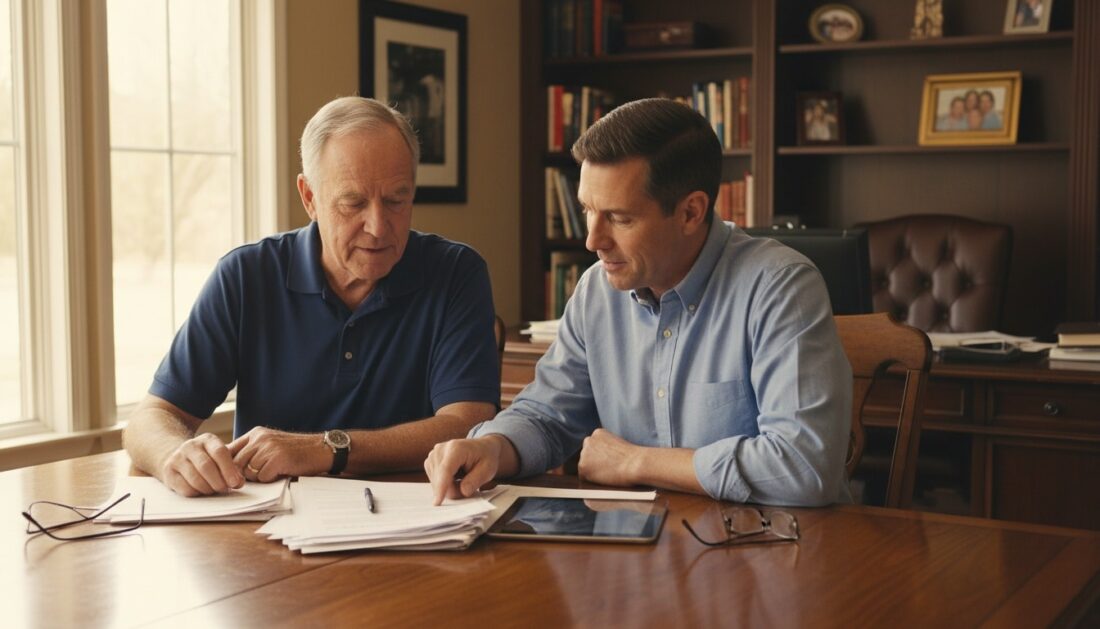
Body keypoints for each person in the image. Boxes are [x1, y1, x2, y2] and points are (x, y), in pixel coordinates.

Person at [425, 98, 852, 508]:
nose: (593, 240)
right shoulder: (596, 291)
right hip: (639, 551)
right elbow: (547, 417)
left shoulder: (780, 287)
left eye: (620, 218)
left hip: (769, 552)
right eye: (588, 211)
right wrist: (493, 447)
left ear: (690, 212)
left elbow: (804, 467)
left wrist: (637, 461)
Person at [123, 96, 500, 496]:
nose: (378, 226)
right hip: (265, 533)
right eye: (353, 202)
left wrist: (326, 449)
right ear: (309, 198)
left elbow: (468, 425)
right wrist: (175, 455)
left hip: (414, 522)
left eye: (396, 200)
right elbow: (152, 417)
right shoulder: (245, 276)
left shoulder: (457, 272)